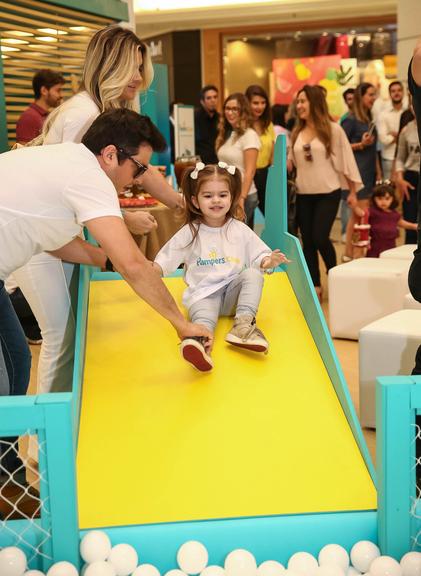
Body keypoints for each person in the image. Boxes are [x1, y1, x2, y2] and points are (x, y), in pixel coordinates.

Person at [0, 109, 212, 475]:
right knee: (4, 378)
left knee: (18, 362)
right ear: (111, 154)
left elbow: (57, 242)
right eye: (138, 167)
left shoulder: (66, 161)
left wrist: (106, 262)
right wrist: (181, 323)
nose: (139, 178)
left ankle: (7, 475)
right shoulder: (88, 177)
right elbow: (133, 263)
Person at [11, 25, 183, 402]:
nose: (139, 79)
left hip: (57, 235)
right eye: (133, 68)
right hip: (43, 241)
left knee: (57, 339)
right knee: (59, 337)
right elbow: (86, 187)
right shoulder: (82, 114)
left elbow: (132, 170)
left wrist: (179, 202)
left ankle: (56, 430)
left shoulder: (106, 111)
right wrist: (180, 323)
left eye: (142, 69)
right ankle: (47, 444)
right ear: (110, 66)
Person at [153, 162, 289, 372]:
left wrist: (268, 261)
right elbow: (167, 258)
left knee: (252, 274)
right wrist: (153, 270)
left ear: (232, 197)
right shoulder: (190, 231)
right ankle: (200, 344)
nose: (216, 200)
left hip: (232, 295)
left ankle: (243, 327)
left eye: (222, 195)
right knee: (204, 319)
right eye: (208, 196)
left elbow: (259, 254)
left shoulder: (239, 229)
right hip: (203, 295)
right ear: (194, 201)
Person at [287, 85, 362, 302]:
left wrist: (353, 192)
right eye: (297, 102)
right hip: (303, 193)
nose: (299, 106)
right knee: (307, 242)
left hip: (328, 192)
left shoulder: (333, 130)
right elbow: (293, 163)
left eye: (303, 101)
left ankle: (334, 274)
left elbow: (347, 160)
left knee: (320, 237)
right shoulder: (296, 132)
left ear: (314, 103)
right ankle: (316, 286)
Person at [342, 82, 382, 261]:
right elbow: (340, 147)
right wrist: (360, 144)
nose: (373, 98)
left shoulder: (368, 119)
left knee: (362, 215)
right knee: (357, 214)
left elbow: (373, 151)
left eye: (374, 95)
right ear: (361, 97)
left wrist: (378, 171)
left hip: (369, 172)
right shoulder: (350, 120)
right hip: (356, 174)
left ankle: (355, 253)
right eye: (370, 95)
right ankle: (350, 253)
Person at [216, 93, 260, 227]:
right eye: (227, 108)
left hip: (243, 195)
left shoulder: (250, 135)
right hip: (228, 193)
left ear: (243, 111)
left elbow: (250, 171)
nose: (230, 112)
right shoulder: (229, 135)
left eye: (235, 109)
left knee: (239, 239)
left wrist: (241, 198)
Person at [351, 182, 417, 258]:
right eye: (379, 199)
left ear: (392, 199)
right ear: (374, 199)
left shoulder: (394, 214)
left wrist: (414, 226)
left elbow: (402, 223)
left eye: (387, 198)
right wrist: (354, 207)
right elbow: (361, 214)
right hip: (375, 248)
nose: (383, 202)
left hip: (391, 247)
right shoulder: (372, 211)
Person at [245, 85, 275, 218]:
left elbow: (273, 153)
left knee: (271, 214)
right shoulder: (242, 125)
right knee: (247, 216)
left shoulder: (268, 124)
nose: (260, 107)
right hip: (246, 175)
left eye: (263, 103)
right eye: (255, 103)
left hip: (265, 175)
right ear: (247, 103)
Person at [15, 69, 65, 144]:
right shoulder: (29, 117)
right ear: (44, 91)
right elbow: (24, 152)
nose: (61, 95)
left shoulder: (48, 115)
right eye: (58, 90)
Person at [395, 102, 420, 244]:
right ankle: (410, 256)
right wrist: (400, 179)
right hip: (411, 178)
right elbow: (400, 158)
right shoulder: (406, 130)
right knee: (410, 217)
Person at [377, 81, 406, 180]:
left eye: (399, 90)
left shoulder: (408, 113)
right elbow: (383, 139)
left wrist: (394, 135)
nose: (396, 93)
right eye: (393, 91)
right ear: (390, 94)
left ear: (403, 92)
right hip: (388, 157)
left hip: (406, 159)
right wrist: (402, 136)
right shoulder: (383, 114)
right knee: (389, 191)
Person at [194, 85, 219, 164]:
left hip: (218, 163)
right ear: (202, 101)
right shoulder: (194, 117)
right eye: (209, 98)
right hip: (200, 165)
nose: (213, 100)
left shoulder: (221, 119)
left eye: (215, 97)